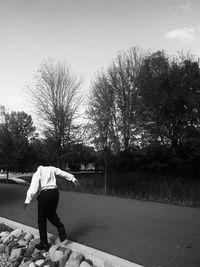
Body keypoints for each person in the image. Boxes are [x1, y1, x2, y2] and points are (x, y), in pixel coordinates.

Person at [22, 165, 79, 251]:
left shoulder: (38, 172)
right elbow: (62, 173)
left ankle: (44, 243)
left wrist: (27, 200)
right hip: (55, 193)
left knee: (41, 220)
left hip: (45, 194)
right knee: (51, 213)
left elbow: (33, 187)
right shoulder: (52, 168)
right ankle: (59, 226)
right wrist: (73, 178)